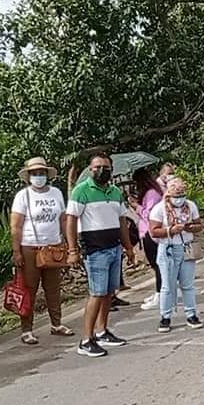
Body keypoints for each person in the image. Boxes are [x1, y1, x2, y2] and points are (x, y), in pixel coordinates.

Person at [66, 153, 135, 358]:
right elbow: (71, 220)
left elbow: (121, 220)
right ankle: (86, 339)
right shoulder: (81, 191)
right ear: (90, 169)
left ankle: (102, 331)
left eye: (105, 167)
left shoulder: (115, 192)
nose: (101, 170)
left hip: (114, 248)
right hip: (95, 250)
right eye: (96, 167)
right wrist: (72, 250)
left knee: (108, 292)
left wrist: (128, 247)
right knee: (96, 293)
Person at [10, 157, 74, 345]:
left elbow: (63, 220)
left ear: (47, 174)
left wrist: (70, 245)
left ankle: (56, 323)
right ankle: (27, 329)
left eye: (42, 173)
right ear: (29, 176)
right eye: (35, 173)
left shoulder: (55, 193)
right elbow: (16, 226)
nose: (39, 176)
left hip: (52, 246)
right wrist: (16, 251)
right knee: (29, 289)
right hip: (30, 246)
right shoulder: (23, 195)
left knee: (53, 288)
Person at [150, 177, 204, 332]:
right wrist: (170, 231)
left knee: (187, 284)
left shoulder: (190, 206)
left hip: (186, 248)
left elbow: (199, 224)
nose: (179, 199)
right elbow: (153, 231)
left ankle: (191, 314)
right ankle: (165, 317)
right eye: (176, 196)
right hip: (168, 249)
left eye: (182, 195)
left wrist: (190, 228)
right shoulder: (159, 208)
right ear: (169, 194)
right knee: (167, 285)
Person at [126, 168, 164, 311]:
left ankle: (161, 294)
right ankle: (159, 292)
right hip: (146, 231)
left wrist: (136, 206)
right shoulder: (151, 193)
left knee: (158, 265)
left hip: (151, 232)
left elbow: (150, 214)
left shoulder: (152, 193)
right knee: (156, 265)